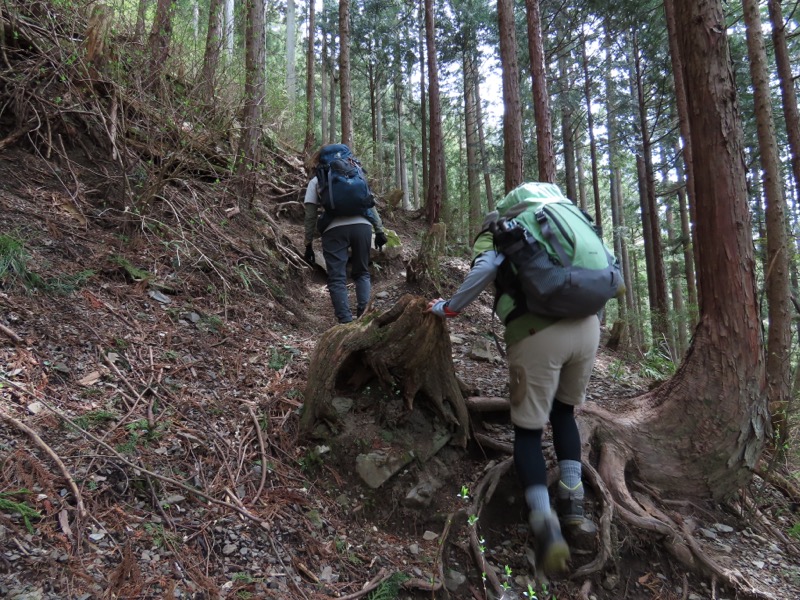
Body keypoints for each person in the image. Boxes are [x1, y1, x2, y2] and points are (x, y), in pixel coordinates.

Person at [426, 187, 599, 574]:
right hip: (589, 326)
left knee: (527, 431)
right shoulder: (563, 222)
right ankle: (574, 505)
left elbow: (486, 270)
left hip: (538, 333)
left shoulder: (500, 228)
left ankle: (545, 525)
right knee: (564, 414)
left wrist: (448, 307)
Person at [303, 147, 388, 324]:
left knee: (337, 277)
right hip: (362, 226)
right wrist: (379, 230)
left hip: (334, 230)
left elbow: (310, 215)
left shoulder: (317, 179)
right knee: (362, 273)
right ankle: (364, 317)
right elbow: (370, 205)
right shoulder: (357, 173)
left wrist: (308, 244)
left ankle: (345, 322)